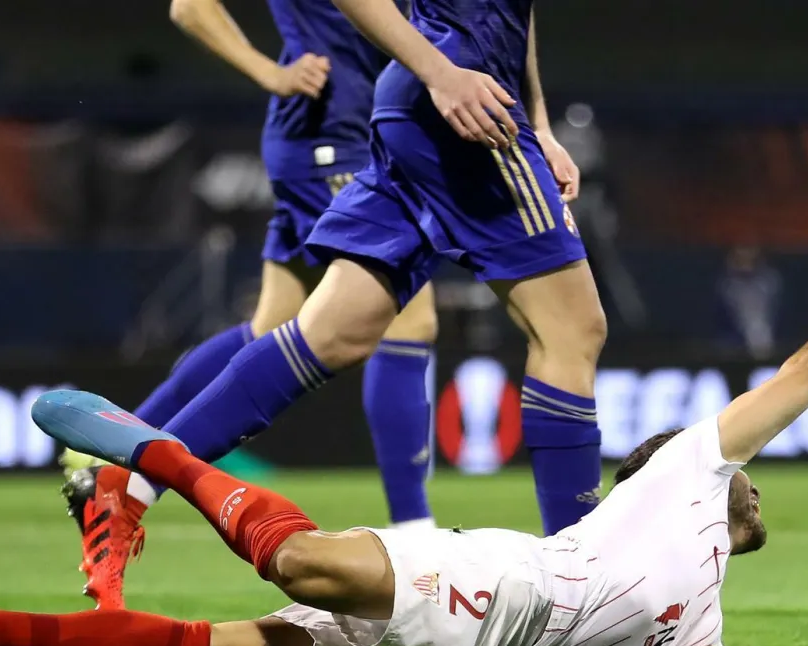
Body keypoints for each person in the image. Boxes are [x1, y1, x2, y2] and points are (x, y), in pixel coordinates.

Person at [0, 217, 808, 646]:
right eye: (747, 470)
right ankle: (151, 453)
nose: (757, 481)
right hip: (489, 585)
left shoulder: (698, 615)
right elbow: (805, 373)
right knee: (302, 565)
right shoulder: (686, 475)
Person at [76, 0, 608, 608]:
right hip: (461, 106)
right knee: (571, 330)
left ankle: (129, 483)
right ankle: (579, 582)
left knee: (329, 332)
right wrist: (441, 73)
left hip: (425, 104)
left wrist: (538, 123)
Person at [66, 0, 443, 611]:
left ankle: (113, 459)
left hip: (339, 134)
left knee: (272, 327)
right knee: (408, 320)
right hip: (336, 137)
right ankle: (415, 533)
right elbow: (191, 7)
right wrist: (270, 71)